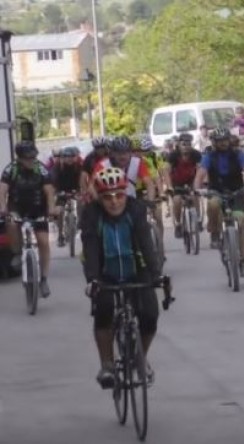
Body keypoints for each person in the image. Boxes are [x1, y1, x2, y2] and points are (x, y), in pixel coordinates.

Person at [81, 167, 162, 388]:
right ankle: (107, 364)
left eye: (119, 195)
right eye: (107, 197)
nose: (114, 202)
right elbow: (90, 248)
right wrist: (93, 279)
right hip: (104, 271)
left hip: (136, 268)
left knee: (150, 315)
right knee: (104, 310)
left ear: (126, 193)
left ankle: (140, 359)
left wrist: (157, 275)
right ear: (100, 198)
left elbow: (146, 243)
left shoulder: (136, 209)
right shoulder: (91, 213)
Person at [193, 128, 244, 277]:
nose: (223, 143)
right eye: (219, 141)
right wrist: (197, 189)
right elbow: (200, 174)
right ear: (214, 142)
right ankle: (214, 232)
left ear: (229, 140)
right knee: (213, 204)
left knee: (241, 223)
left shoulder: (238, 154)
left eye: (225, 140)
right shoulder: (209, 156)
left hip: (237, 193)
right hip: (216, 192)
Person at [0, 141, 58, 297]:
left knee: (43, 241)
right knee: (11, 223)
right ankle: (17, 252)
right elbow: (2, 190)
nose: (32, 160)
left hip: (38, 207)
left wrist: (51, 208)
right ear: (19, 158)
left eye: (33, 157)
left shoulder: (41, 169)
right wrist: (3, 207)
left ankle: (43, 279)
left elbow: (49, 191)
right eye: (28, 158)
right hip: (17, 206)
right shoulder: (11, 169)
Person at [94, 136, 155, 201]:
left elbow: (149, 183)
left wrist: (150, 202)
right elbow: (92, 186)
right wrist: (98, 202)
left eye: (125, 153)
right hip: (110, 202)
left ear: (130, 152)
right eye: (119, 153)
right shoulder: (103, 164)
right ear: (113, 153)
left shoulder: (137, 162)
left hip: (131, 200)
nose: (122, 156)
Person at [167, 133, 203, 238]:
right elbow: (166, 171)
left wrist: (200, 184)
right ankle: (178, 224)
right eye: (183, 144)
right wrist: (169, 186)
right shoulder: (173, 155)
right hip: (176, 182)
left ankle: (198, 219)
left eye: (189, 144)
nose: (186, 147)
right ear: (179, 144)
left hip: (192, 180)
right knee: (177, 200)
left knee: (195, 196)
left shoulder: (196, 154)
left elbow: (200, 170)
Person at [52, 146, 84, 247]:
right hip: (61, 191)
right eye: (66, 156)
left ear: (75, 157)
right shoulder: (57, 167)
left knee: (81, 203)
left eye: (71, 156)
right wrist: (56, 191)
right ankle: (60, 235)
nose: (69, 159)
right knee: (59, 211)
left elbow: (83, 180)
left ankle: (80, 222)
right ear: (63, 158)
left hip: (75, 191)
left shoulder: (79, 167)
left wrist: (81, 191)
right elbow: (53, 180)